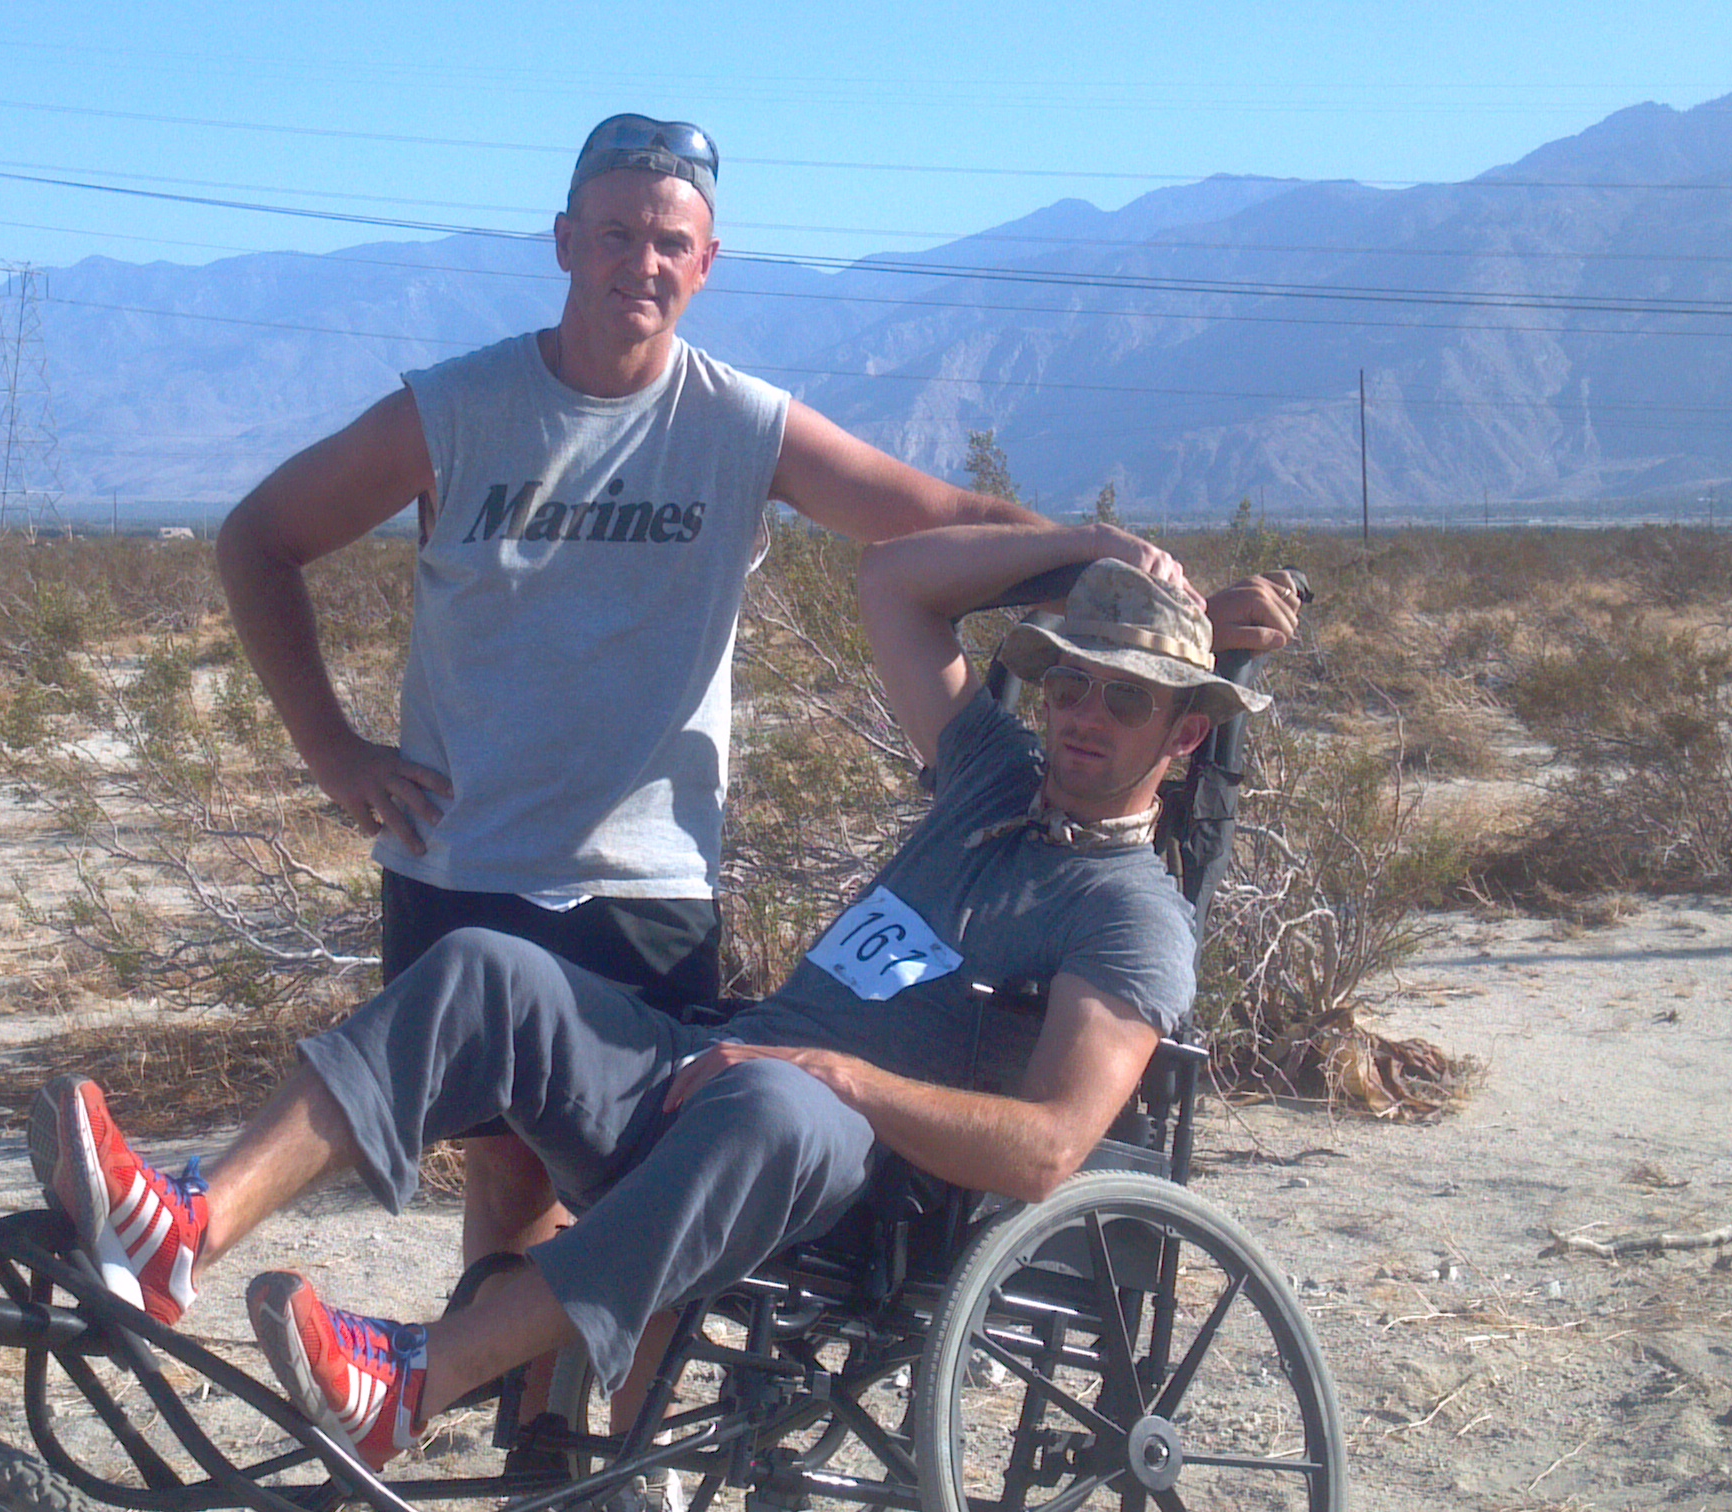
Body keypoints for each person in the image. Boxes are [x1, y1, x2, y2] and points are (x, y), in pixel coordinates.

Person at [31, 522, 1303, 1483]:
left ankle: (413, 1384)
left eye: (1123, 698)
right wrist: (1094, 549)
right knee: (490, 970)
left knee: (777, 1109)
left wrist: (841, 1077)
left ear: (1183, 737)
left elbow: (1047, 1150)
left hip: (859, 1185)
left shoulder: (1133, 916)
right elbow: (893, 580)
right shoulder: (992, 777)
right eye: (1070, 680)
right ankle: (183, 1228)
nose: (1081, 715)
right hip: (720, 1075)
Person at [203, 112, 1078, 1329]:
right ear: (565, 243)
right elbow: (260, 538)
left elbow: (937, 513)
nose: (643, 263)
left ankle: (549, 1448)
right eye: (615, 234)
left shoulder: (741, 424)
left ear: (707, 265)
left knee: (619, 1178)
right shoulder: (455, 412)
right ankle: (515, 1446)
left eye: (671, 241)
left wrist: (1119, 569)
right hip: (466, 854)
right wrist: (333, 751)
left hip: (646, 884)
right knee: (505, 1168)